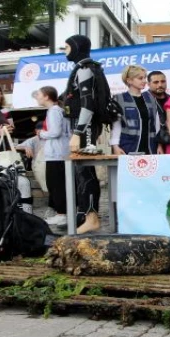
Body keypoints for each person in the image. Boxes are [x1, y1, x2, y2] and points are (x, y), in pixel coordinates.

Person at [63, 34, 105, 234]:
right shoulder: (87, 67)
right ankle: (87, 215)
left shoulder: (85, 69)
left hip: (85, 127)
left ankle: (92, 217)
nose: (65, 51)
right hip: (84, 126)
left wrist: (77, 133)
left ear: (76, 47)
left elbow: (87, 105)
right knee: (82, 173)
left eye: (67, 47)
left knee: (85, 172)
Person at [37, 86, 71, 226]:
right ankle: (62, 212)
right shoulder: (58, 110)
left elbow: (55, 132)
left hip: (56, 154)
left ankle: (62, 214)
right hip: (60, 152)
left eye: (39, 94)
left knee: (56, 184)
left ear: (46, 96)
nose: (37, 97)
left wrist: (41, 134)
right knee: (58, 184)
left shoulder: (54, 111)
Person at [111, 65, 163, 155]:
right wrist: (115, 146)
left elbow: (156, 124)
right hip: (127, 147)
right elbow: (116, 124)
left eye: (145, 78)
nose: (144, 81)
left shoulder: (150, 98)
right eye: (140, 78)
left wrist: (159, 145)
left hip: (150, 147)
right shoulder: (119, 99)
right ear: (129, 80)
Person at [17, 121, 47, 192]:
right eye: (38, 131)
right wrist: (25, 147)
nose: (39, 133)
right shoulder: (33, 140)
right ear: (35, 131)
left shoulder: (51, 138)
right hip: (38, 166)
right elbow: (15, 147)